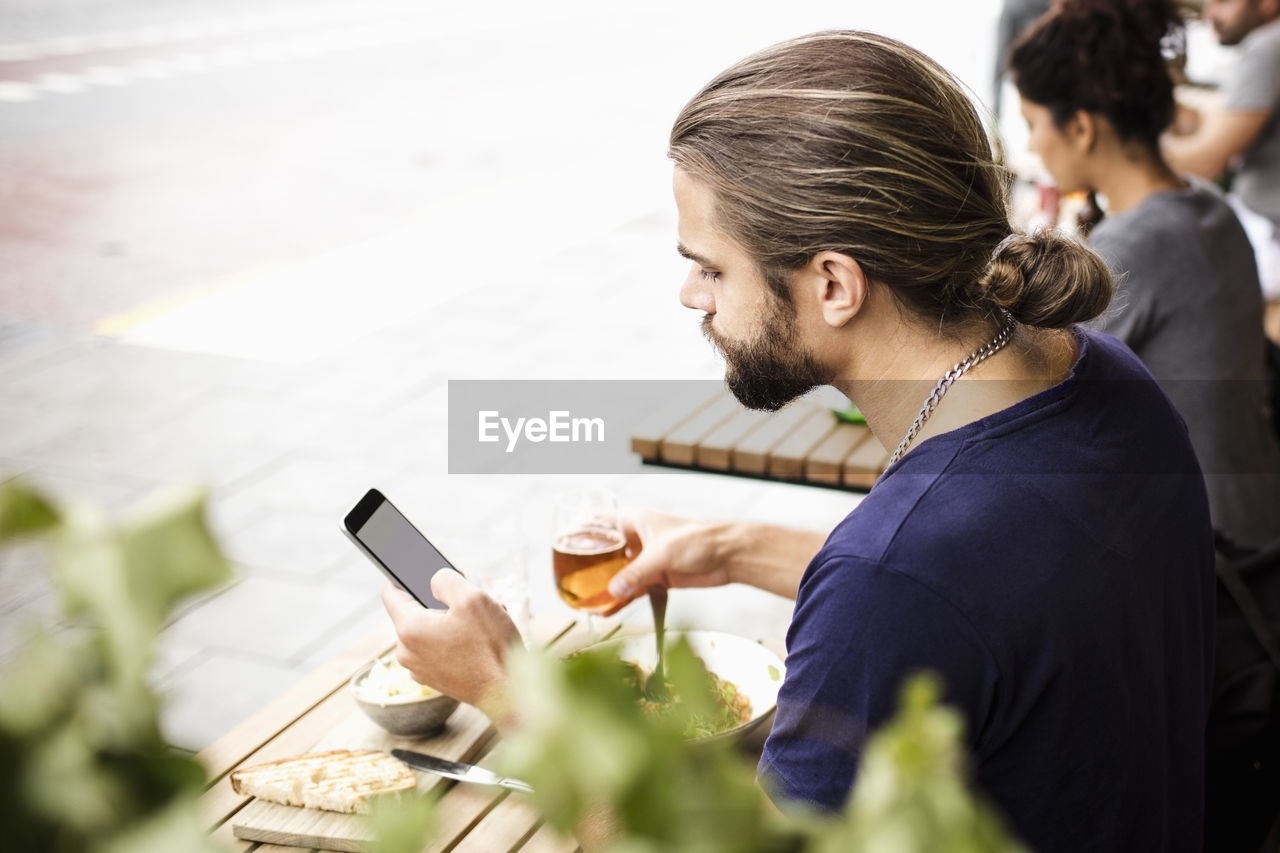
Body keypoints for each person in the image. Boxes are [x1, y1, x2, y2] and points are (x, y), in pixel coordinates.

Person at [382, 30, 1215, 852]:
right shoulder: (1105, 374)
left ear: (833, 283)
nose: (689, 294)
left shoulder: (894, 574)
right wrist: (738, 545)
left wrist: (509, 694)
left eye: (711, 267)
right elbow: (993, 595)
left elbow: (919, 586)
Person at [1008, 0, 1280, 550]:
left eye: (1035, 124)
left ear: (1081, 127)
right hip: (1257, 522)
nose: (1034, 145)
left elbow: (1019, 402)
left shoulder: (1131, 249)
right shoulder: (1208, 209)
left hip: (1211, 563)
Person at [1164, 0, 1280, 338]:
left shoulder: (1266, 47)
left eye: (1224, 1)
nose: (1211, 12)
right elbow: (1221, 128)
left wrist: (1135, 145)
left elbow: (1206, 160)